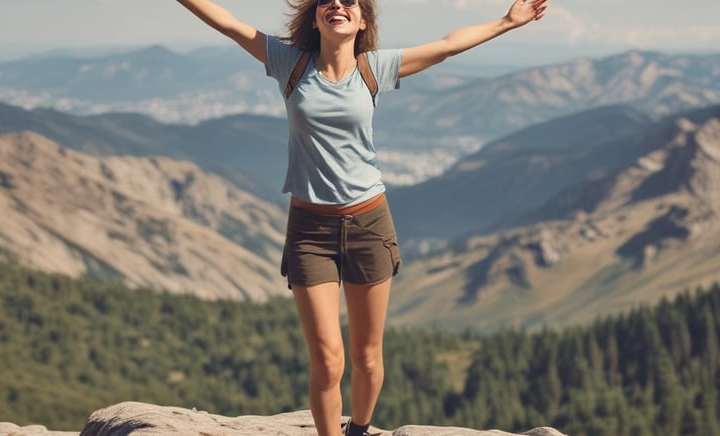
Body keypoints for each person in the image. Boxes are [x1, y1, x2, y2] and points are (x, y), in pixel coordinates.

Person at [176, 0, 548, 435]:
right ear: (315, 17)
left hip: (370, 224)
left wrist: (507, 22)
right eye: (327, 1)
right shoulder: (289, 63)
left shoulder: (375, 68)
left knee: (367, 356)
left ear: (362, 20)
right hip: (309, 231)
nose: (337, 4)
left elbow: (446, 46)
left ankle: (360, 429)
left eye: (349, 1)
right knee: (327, 358)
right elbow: (228, 23)